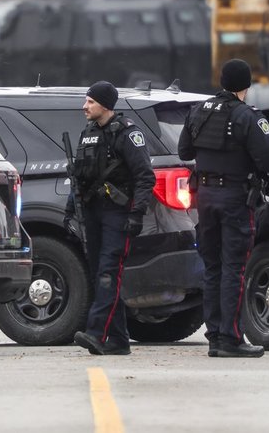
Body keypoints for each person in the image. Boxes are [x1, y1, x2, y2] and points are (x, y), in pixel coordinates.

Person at [178, 58, 269, 358]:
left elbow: (184, 151)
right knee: (234, 268)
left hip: (205, 198)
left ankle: (214, 337)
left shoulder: (199, 111)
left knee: (212, 268)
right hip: (235, 198)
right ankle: (231, 338)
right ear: (245, 86)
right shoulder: (248, 117)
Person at [66, 81, 155, 356]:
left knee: (108, 274)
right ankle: (117, 340)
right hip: (92, 213)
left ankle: (96, 332)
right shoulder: (89, 133)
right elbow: (79, 176)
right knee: (98, 274)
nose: (84, 106)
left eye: (90, 102)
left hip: (118, 213)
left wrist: (137, 214)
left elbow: (145, 177)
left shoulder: (128, 133)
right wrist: (71, 209)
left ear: (105, 105)